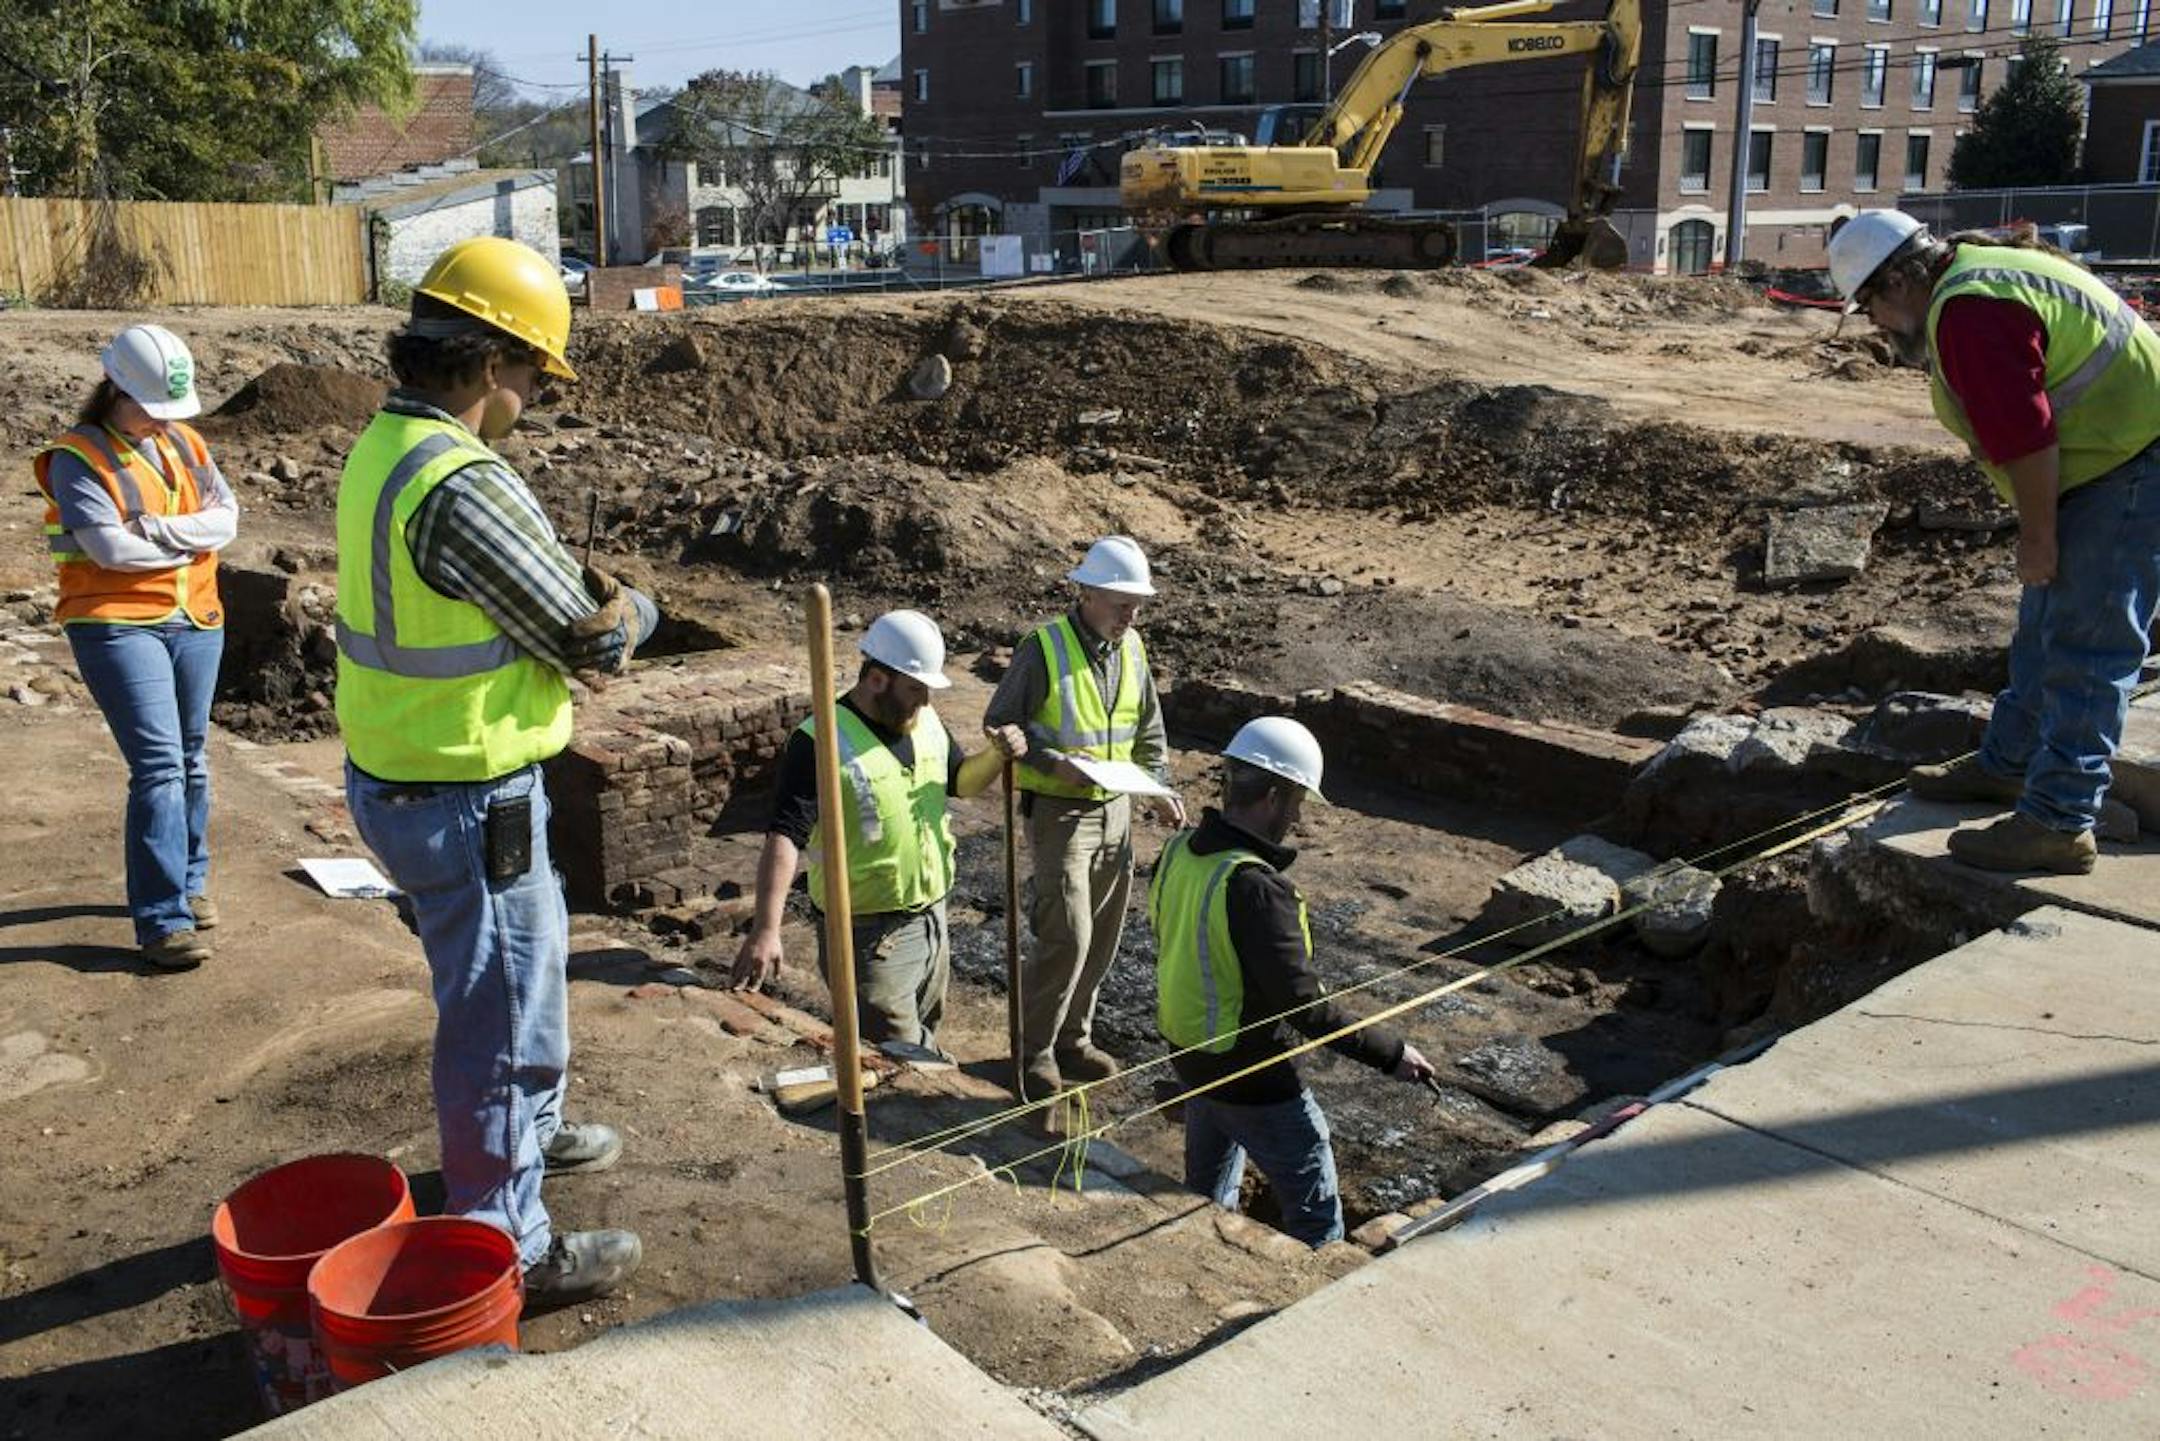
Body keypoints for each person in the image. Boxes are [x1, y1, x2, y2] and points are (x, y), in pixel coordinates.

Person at [336, 236, 657, 1307]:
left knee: (520, 976)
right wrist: (637, 611)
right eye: (533, 374)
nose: (536, 396)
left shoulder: (387, 444)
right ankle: (507, 1242)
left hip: (409, 770)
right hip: (467, 794)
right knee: (497, 1022)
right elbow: (586, 639)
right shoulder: (462, 482)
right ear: (485, 361)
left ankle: (532, 1131)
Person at [1829, 210, 2160, 875]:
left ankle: (2060, 821)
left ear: (1897, 282)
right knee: (2042, 625)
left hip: (2133, 458)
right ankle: (2010, 763)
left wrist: (2038, 537)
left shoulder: (1970, 312)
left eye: (1869, 307)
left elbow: (2027, 436)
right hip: (2106, 453)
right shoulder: (1972, 281)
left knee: (2090, 644)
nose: (1875, 325)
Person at [1148, 717, 1434, 1247]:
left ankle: (1201, 1251)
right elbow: (1304, 1005)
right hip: (1252, 1076)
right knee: (1315, 1210)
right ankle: (1323, 1277)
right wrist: (1391, 1054)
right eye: (1297, 801)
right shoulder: (1255, 887)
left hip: (1189, 1053)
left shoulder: (1178, 851)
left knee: (1206, 1195)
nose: (1298, 816)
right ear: (1274, 796)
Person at [33, 325, 237, 971]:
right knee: (159, 767)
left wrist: (153, 528)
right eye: (151, 408)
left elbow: (227, 519)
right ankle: (163, 920)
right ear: (116, 389)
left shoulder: (186, 442)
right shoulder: (77, 457)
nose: (163, 421)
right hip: (116, 622)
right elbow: (109, 550)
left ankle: (190, 883)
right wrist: (189, 539)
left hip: (195, 616)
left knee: (192, 757)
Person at [732, 610, 1026, 1058]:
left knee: (924, 1036)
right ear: (876, 680)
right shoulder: (821, 740)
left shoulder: (924, 720)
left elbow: (960, 782)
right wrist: (766, 929)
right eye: (915, 688)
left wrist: (996, 756)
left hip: (932, 919)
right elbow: (785, 835)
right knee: (898, 1055)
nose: (925, 700)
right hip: (868, 936)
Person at [984, 535, 1183, 1102]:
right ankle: (1034, 1051)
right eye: (1121, 603)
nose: (1130, 615)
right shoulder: (1044, 648)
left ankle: (1074, 1040)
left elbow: (1148, 729)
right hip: (1061, 813)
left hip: (1117, 808)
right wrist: (1055, 763)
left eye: (1137, 605)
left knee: (1102, 936)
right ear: (1087, 593)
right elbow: (1002, 723)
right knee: (1066, 935)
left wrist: (1157, 786)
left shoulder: (1133, 648)